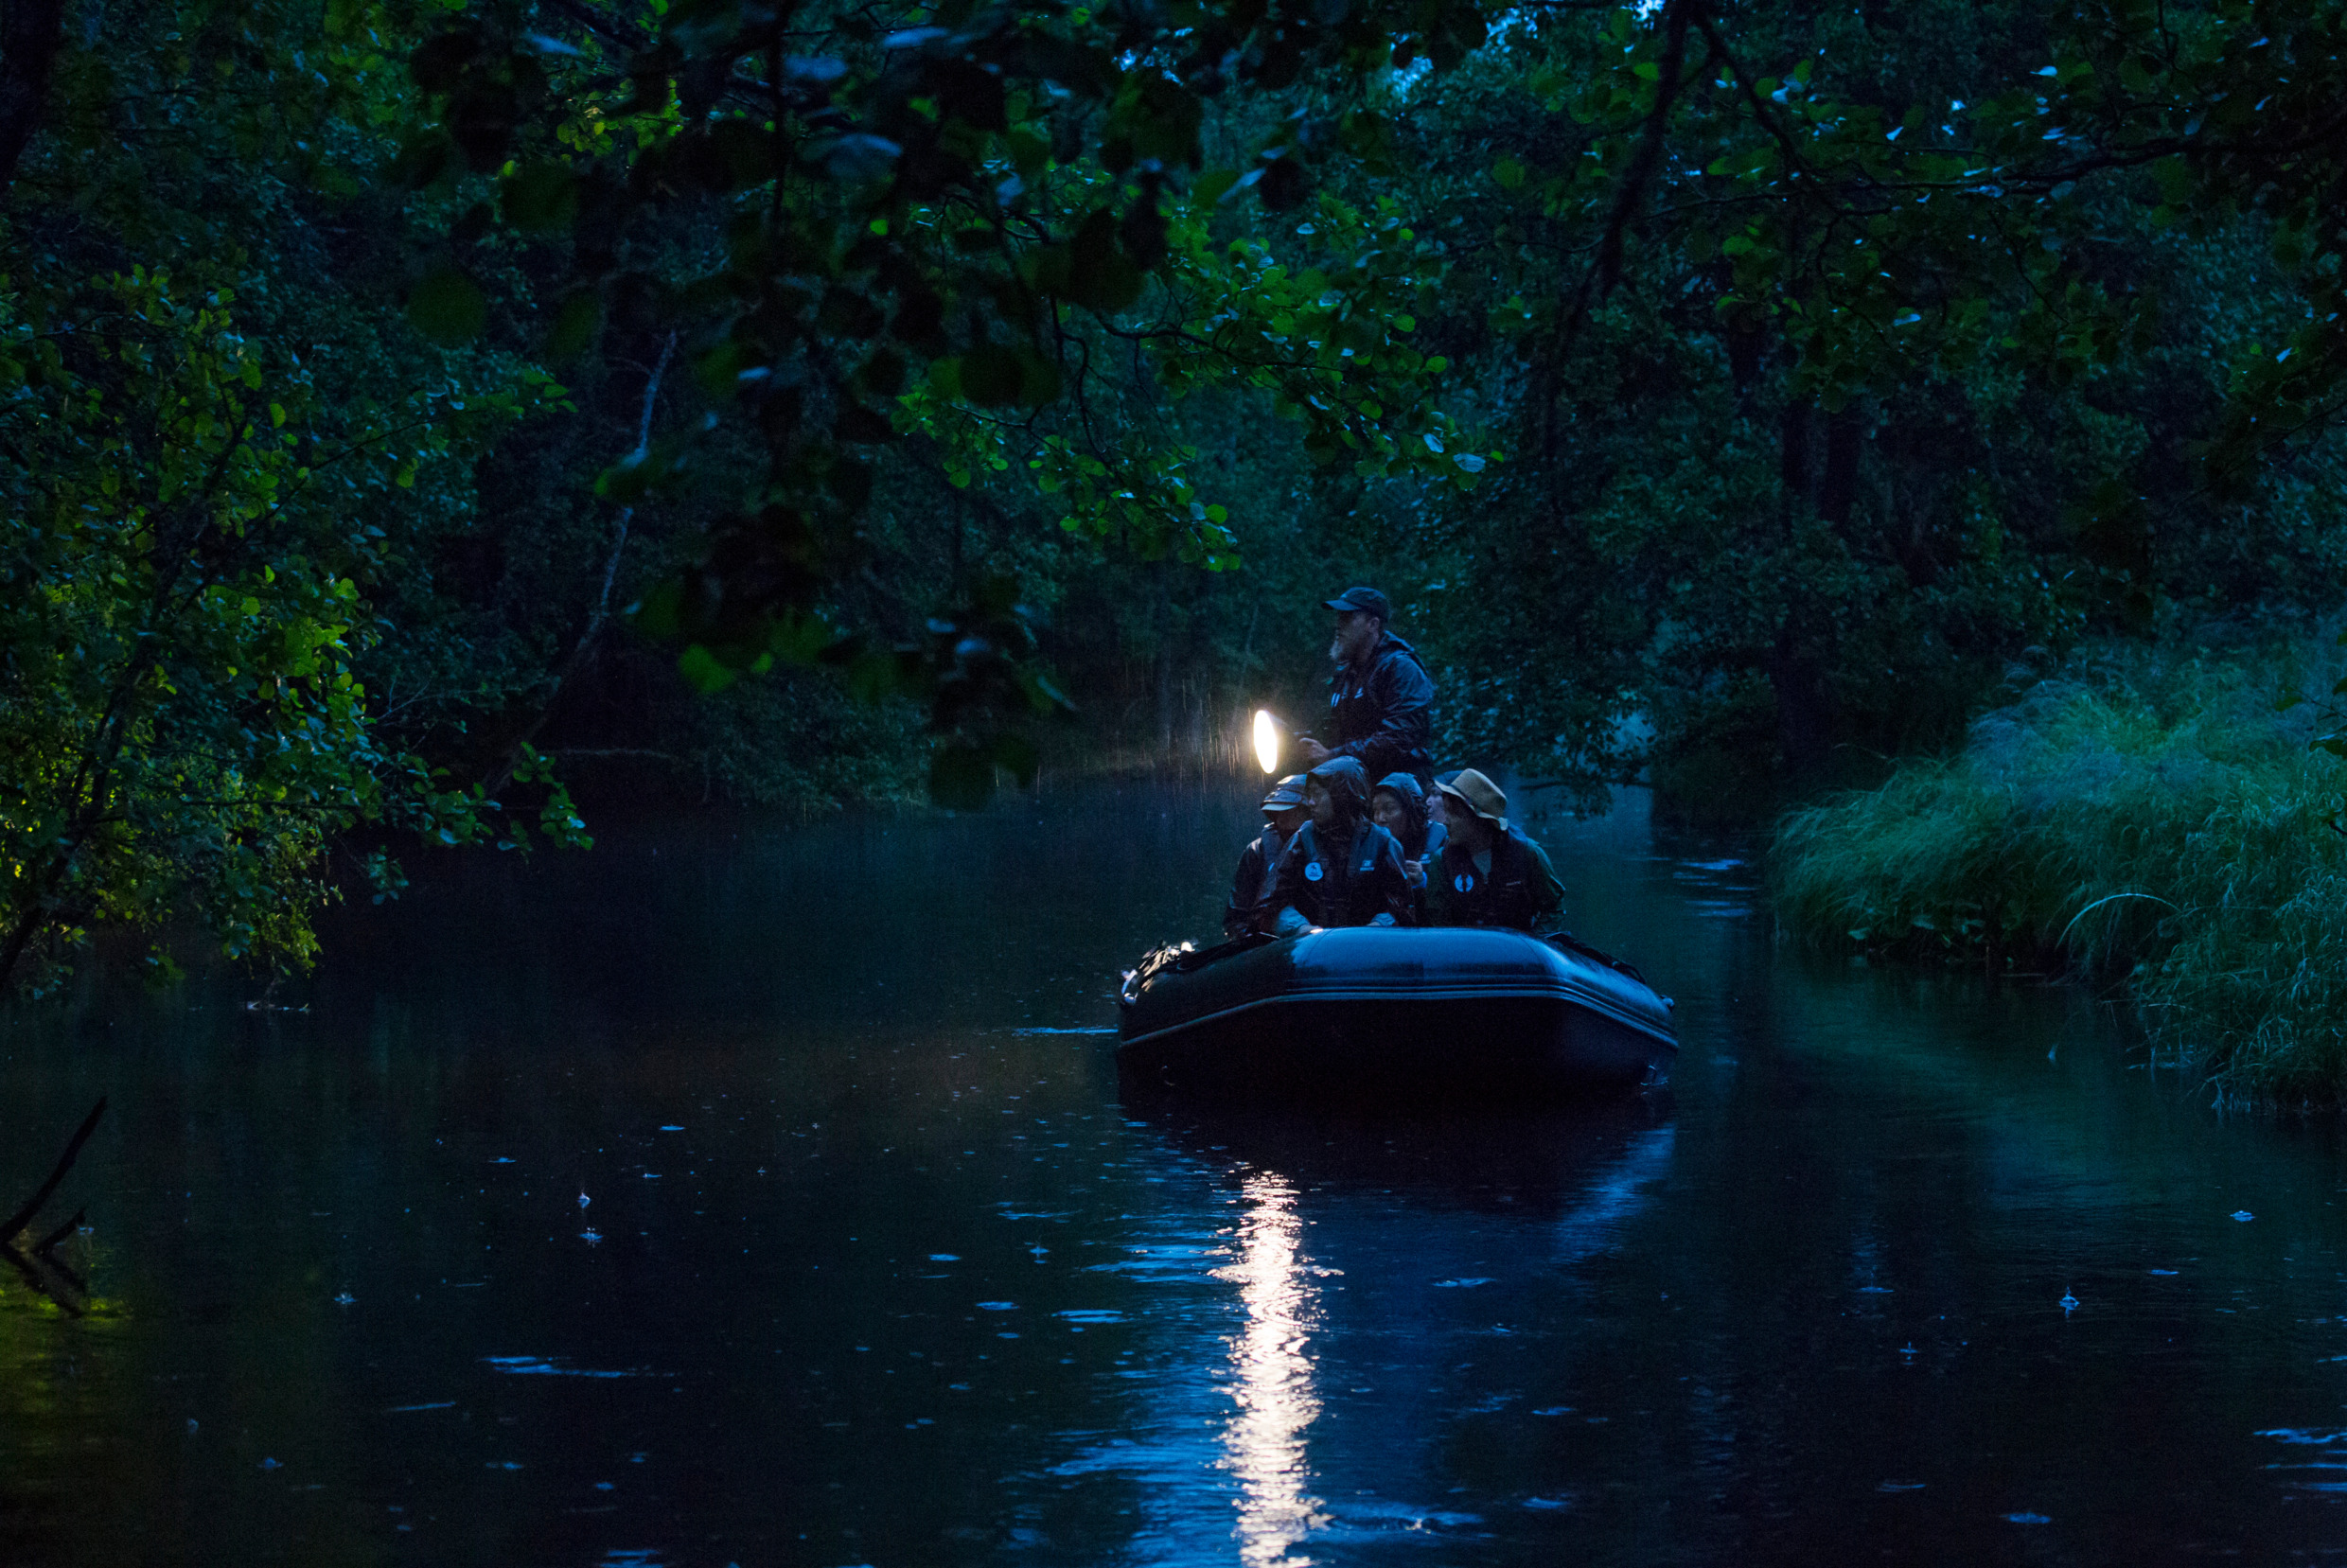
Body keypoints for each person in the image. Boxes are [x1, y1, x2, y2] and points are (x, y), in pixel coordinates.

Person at [1294, 587, 1436, 784]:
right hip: (1360, 792)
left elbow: (1398, 739)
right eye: (1338, 617)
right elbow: (1344, 732)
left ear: (1373, 624)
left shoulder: (1401, 669)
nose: (1338, 625)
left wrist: (1332, 756)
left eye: (1347, 617)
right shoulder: (1347, 675)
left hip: (1400, 797)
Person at [1260, 757, 1415, 934]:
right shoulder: (1304, 838)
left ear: (1341, 795)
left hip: (1371, 952)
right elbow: (1272, 902)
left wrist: (1377, 928)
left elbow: (1402, 906)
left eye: (1317, 795)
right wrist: (1300, 927)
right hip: (1312, 950)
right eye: (1309, 795)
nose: (1310, 802)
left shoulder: (1382, 842)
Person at [1423, 768, 1564, 933]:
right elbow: (1439, 923)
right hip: (1465, 953)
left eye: (1454, 814)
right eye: (1446, 812)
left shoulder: (1528, 853)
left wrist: (1533, 942)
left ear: (1478, 819)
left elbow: (1554, 908)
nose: (1446, 821)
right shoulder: (1442, 861)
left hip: (1519, 952)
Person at [1225, 775, 1309, 938]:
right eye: (1277, 812)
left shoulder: (1322, 847)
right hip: (1268, 944)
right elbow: (1235, 919)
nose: (1281, 818)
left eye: (1289, 811)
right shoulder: (1257, 851)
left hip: (1315, 939)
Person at [1370, 771, 1447, 917]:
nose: (1380, 818)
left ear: (1411, 809)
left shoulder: (1440, 837)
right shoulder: (1372, 845)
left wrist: (1423, 882)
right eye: (1375, 811)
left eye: (1389, 809)